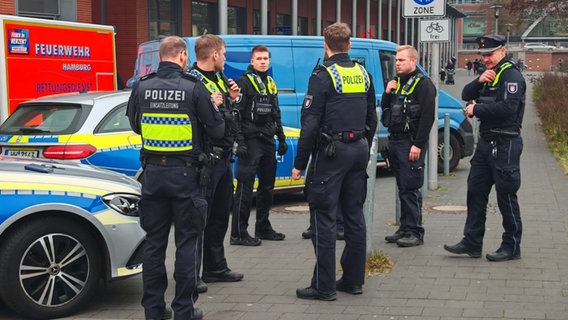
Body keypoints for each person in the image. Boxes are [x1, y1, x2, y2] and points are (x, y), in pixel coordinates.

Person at [127, 35, 225, 320]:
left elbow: (135, 125)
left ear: (162, 55)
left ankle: (154, 311)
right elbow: (217, 130)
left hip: (153, 176)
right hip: (187, 177)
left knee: (154, 244)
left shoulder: (142, 87)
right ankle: (184, 310)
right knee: (187, 243)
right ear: (182, 56)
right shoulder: (194, 89)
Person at [292, 22, 377, 300]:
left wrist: (300, 162)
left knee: (324, 217)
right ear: (349, 45)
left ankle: (323, 285)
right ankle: (353, 280)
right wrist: (363, 144)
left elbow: (310, 123)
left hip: (331, 154)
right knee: (354, 216)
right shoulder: (363, 73)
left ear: (325, 46)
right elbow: (371, 118)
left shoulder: (322, 75)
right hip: (358, 149)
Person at [444, 34, 525, 262]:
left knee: (506, 195)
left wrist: (476, 110)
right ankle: (472, 242)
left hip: (505, 143)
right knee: (475, 191)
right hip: (486, 144)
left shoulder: (511, 75)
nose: (486, 59)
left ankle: (511, 246)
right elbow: (465, 94)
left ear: (502, 51)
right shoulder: (491, 75)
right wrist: (479, 80)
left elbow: (508, 108)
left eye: (489, 54)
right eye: (483, 55)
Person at [187, 34, 244, 293]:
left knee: (220, 215)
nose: (225, 57)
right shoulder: (192, 81)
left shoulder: (220, 79)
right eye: (223, 53)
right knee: (199, 219)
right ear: (214, 55)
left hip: (223, 158)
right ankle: (193, 274)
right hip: (204, 160)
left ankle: (215, 267)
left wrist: (232, 98)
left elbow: (227, 115)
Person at [230, 45, 288, 246]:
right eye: (259, 58)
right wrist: (240, 142)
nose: (263, 61)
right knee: (245, 188)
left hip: (268, 141)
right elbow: (236, 114)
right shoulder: (244, 82)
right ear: (252, 61)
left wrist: (281, 137)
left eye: (265, 58)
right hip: (251, 141)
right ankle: (238, 233)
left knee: (267, 187)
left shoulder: (270, 83)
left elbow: (275, 111)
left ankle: (263, 227)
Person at [380, 45, 436, 247]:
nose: (397, 63)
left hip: (410, 141)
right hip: (395, 139)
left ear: (413, 61)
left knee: (411, 187)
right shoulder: (397, 83)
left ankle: (415, 231)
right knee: (403, 186)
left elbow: (428, 117)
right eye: (396, 60)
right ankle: (404, 227)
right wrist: (387, 92)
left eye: (401, 60)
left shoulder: (424, 84)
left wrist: (418, 145)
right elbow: (386, 108)